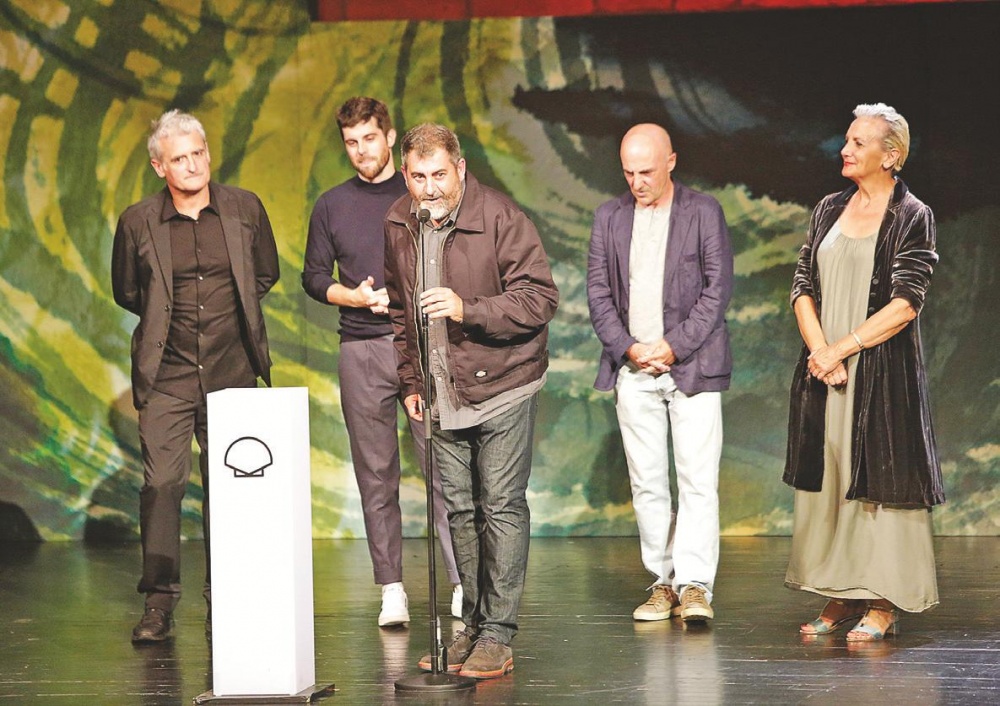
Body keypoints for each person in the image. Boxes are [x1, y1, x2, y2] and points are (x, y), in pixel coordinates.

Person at [384, 123, 558, 679]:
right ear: (405, 174)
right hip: (442, 391)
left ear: (460, 168)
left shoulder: (501, 217)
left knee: (500, 505)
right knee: (460, 511)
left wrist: (468, 309)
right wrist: (412, 382)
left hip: (504, 385)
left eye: (439, 174)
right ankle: (475, 624)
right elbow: (399, 311)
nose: (429, 188)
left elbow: (539, 298)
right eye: (418, 176)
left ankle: (498, 635)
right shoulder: (399, 222)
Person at [111, 110, 279, 642]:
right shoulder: (138, 221)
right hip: (168, 374)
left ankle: (225, 597)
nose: (192, 165)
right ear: (159, 166)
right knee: (162, 484)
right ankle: (159, 603)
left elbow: (264, 273)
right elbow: (128, 291)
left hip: (232, 369)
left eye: (198, 154)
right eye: (179, 158)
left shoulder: (244, 208)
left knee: (230, 489)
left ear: (208, 154)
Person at [784, 103, 944, 641]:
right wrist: (821, 352)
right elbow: (802, 285)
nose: (845, 149)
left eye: (858, 142)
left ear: (890, 155)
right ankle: (842, 590)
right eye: (847, 140)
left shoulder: (911, 214)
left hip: (879, 372)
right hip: (826, 370)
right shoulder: (828, 208)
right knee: (832, 476)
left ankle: (882, 598)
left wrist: (842, 349)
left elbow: (906, 302)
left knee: (880, 483)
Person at [301, 97, 461, 627]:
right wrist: (351, 296)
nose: (360, 150)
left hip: (421, 344)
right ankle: (392, 588)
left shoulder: (418, 193)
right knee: (375, 474)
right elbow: (313, 276)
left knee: (442, 468)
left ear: (389, 138)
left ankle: (461, 581)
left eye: (369, 138)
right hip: (361, 347)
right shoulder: (332, 204)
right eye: (351, 142)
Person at [587, 123, 733, 624]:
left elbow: (717, 290)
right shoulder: (608, 217)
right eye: (628, 172)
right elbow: (598, 295)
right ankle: (663, 582)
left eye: (646, 171)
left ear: (671, 161)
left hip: (693, 366)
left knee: (697, 480)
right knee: (647, 481)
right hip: (633, 370)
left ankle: (695, 585)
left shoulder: (703, 211)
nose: (637, 182)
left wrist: (673, 347)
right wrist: (629, 348)